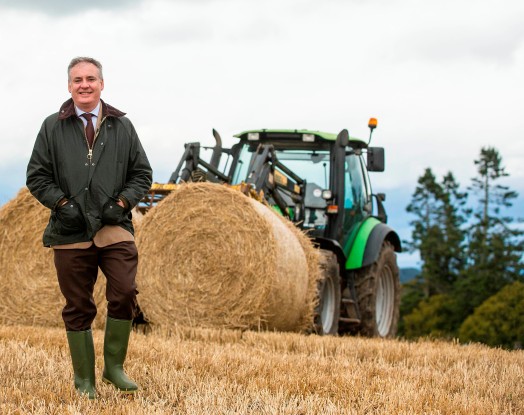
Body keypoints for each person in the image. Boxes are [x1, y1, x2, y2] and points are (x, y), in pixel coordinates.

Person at [26, 57, 153, 399]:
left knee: (125, 291)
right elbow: (36, 176)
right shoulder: (52, 126)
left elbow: (142, 173)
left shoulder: (122, 127)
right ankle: (85, 380)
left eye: (91, 79)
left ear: (101, 84)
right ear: (69, 86)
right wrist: (62, 205)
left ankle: (114, 368)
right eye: (78, 79)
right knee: (78, 306)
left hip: (114, 228)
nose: (84, 84)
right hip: (70, 232)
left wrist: (123, 203)